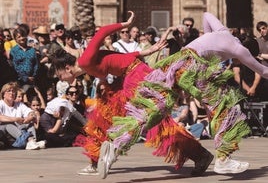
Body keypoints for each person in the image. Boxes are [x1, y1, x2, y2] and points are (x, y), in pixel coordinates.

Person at [51, 11, 268, 179]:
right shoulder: (238, 48)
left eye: (59, 75)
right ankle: (222, 157)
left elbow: (206, 16)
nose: (60, 79)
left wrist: (208, 37)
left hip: (156, 68)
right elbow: (263, 71)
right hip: (173, 70)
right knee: (222, 106)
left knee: (155, 113)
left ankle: (115, 146)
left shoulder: (223, 32)